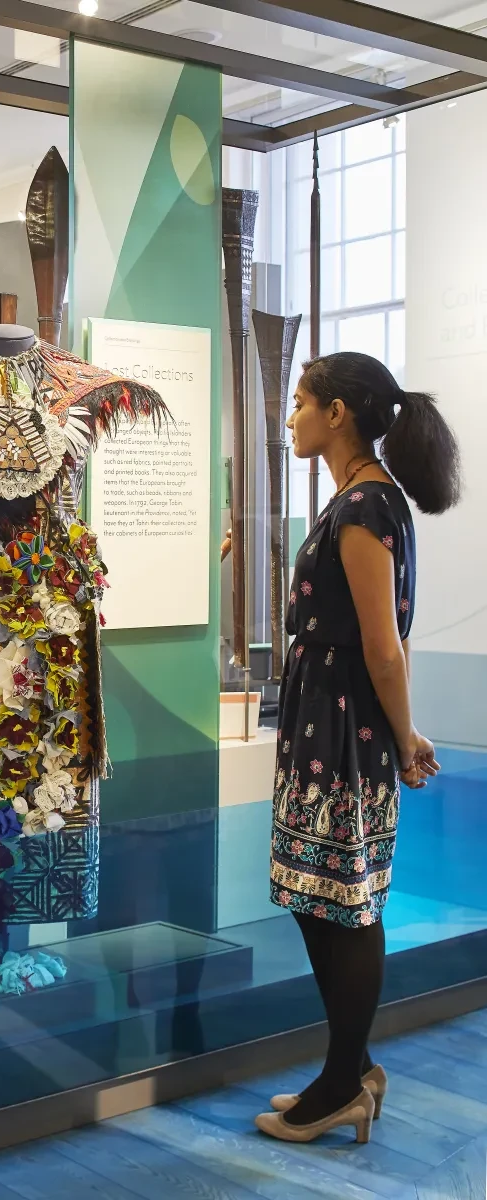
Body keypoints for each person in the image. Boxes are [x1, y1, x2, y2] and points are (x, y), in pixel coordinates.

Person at [255, 352, 460, 1145]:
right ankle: (350, 1067)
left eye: (300, 401)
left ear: (337, 412)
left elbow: (383, 648)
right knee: (322, 901)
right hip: (324, 725)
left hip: (341, 732)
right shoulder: (355, 499)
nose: (291, 415)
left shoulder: (366, 505)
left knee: (343, 905)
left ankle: (344, 1081)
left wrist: (404, 736)